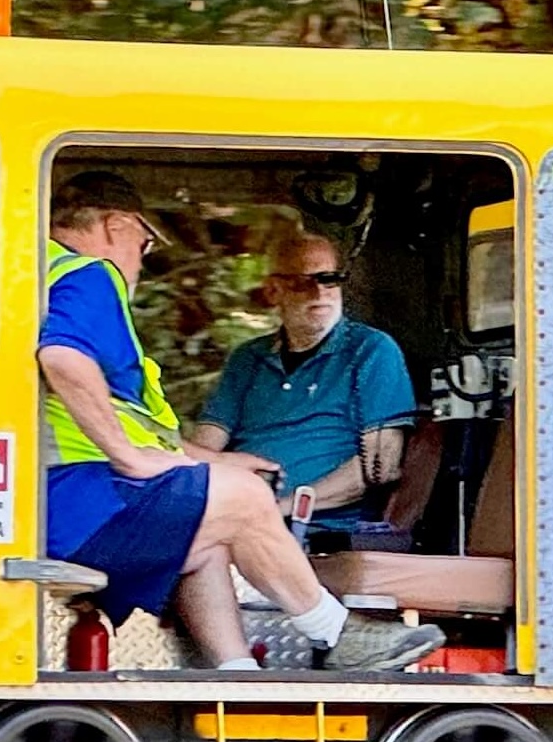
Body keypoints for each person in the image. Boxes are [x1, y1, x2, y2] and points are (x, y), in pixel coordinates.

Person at [38, 171, 443, 671]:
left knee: (206, 541)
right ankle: (335, 636)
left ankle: (235, 673)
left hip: (54, 496)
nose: (142, 255)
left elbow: (144, 426)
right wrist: (134, 459)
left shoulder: (30, 276)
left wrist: (220, 465)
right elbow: (62, 358)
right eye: (144, 240)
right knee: (244, 500)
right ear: (116, 225)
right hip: (77, 498)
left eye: (329, 280)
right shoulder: (86, 275)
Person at [191, 233, 415, 533]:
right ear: (273, 291)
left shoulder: (371, 349)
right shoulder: (247, 358)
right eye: (302, 282)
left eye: (329, 278)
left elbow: (378, 468)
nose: (319, 292)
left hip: (319, 528)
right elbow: (202, 450)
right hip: (234, 517)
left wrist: (279, 508)